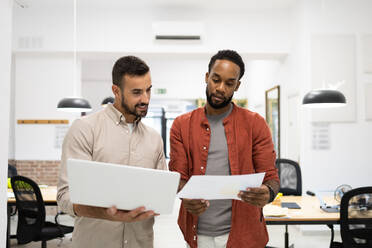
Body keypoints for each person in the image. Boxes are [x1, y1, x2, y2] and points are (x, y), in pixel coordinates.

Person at [169, 50, 280, 248]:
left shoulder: (255, 124)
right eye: (216, 79)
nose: (220, 88)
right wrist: (185, 194)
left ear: (237, 86)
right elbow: (178, 176)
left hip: (244, 234)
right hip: (197, 233)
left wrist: (268, 193)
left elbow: (271, 177)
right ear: (207, 77)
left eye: (229, 83)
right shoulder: (181, 125)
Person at [57, 56, 166, 248]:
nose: (146, 99)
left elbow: (159, 194)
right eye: (136, 92)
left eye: (148, 90)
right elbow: (66, 197)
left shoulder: (154, 139)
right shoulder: (84, 129)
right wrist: (104, 212)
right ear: (116, 91)